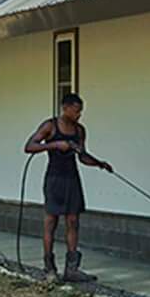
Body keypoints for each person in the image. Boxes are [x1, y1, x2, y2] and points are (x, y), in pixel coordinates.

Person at [24, 92, 112, 282]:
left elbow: (82, 156)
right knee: (51, 222)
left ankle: (71, 269)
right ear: (65, 108)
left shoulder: (80, 130)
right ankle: (49, 269)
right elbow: (29, 146)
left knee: (73, 221)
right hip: (54, 178)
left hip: (72, 179)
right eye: (76, 111)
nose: (79, 115)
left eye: (81, 112)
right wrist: (55, 144)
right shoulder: (50, 125)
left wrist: (99, 163)